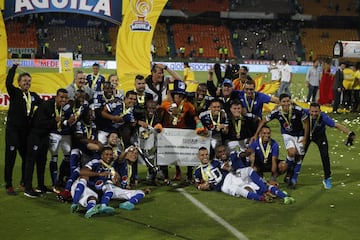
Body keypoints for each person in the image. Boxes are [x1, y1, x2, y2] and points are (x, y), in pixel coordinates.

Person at [194, 147, 295, 204]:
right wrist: (200, 187)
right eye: (202, 155)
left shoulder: (215, 162)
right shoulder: (198, 171)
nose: (205, 157)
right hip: (224, 186)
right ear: (198, 157)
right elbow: (197, 183)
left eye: (206, 154)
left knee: (249, 172)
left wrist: (232, 168)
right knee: (244, 189)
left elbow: (228, 166)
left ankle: (279, 194)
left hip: (231, 176)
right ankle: (264, 197)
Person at [252, 93, 309, 189]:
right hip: (287, 134)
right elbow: (264, 121)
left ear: (290, 101)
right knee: (291, 153)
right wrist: (256, 134)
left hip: (299, 134)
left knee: (298, 156)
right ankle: (288, 172)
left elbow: (306, 123)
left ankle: (293, 178)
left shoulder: (298, 110)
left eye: (288, 101)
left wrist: (305, 139)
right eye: (283, 101)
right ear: (280, 102)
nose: (286, 103)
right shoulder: (277, 112)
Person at [4, 63, 42, 195]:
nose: (27, 83)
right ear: (19, 83)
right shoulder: (15, 93)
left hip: (26, 133)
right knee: (11, 158)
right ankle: (8, 184)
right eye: (24, 81)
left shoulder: (34, 96)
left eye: (29, 81)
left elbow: (44, 107)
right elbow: (8, 83)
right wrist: (13, 68)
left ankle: (24, 181)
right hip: (13, 131)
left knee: (26, 158)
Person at [24, 88, 69, 198]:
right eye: (61, 97)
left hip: (44, 136)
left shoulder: (61, 107)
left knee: (42, 161)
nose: (63, 99)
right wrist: (55, 121)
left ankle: (41, 186)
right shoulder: (47, 105)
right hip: (35, 136)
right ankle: (28, 188)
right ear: (56, 97)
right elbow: (39, 123)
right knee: (31, 161)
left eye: (65, 97)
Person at [304, 102, 355, 189]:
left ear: (320, 111)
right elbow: (293, 107)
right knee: (300, 155)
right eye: (312, 111)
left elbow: (337, 125)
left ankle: (327, 178)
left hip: (320, 137)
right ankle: (292, 175)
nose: (314, 114)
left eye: (316, 112)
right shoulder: (304, 112)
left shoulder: (324, 117)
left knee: (325, 157)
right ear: (309, 110)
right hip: (307, 136)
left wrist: (349, 133)